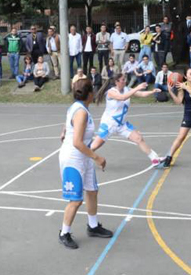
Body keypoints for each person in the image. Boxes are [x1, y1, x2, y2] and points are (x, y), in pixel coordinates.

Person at [56, 78, 113, 249]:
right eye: (93, 91)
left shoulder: (78, 108)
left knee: (92, 190)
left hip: (83, 157)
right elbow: (77, 142)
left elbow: (69, 125)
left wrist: (64, 131)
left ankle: (93, 226)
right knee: (75, 200)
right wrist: (97, 157)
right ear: (89, 94)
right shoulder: (81, 112)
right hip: (74, 159)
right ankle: (64, 233)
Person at [89, 74, 164, 167]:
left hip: (122, 125)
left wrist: (152, 92)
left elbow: (141, 94)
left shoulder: (127, 89)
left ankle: (155, 159)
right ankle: (79, 158)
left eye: (125, 79)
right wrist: (137, 88)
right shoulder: (111, 92)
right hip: (109, 124)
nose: (125, 81)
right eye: (123, 80)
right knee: (94, 146)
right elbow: (122, 97)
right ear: (117, 81)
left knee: (138, 138)